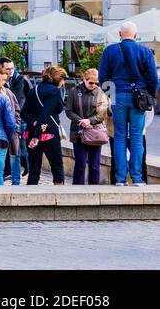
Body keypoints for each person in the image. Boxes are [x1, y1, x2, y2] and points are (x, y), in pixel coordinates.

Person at [98, 21, 158, 186]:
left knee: (119, 137)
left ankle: (120, 178)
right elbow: (153, 78)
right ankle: (137, 178)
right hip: (138, 96)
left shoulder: (110, 50)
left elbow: (103, 78)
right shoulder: (145, 51)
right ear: (136, 35)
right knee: (137, 137)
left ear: (119, 34)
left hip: (118, 95)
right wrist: (149, 96)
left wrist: (111, 96)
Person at [22, 65, 67, 185]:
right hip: (48, 133)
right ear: (58, 79)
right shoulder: (54, 92)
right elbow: (45, 113)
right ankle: (60, 196)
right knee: (57, 167)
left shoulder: (34, 90)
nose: (63, 83)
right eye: (63, 80)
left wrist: (34, 123)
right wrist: (38, 134)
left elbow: (23, 113)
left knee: (34, 169)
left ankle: (30, 197)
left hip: (31, 132)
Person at [66, 68, 109, 186]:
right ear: (84, 80)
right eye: (91, 82)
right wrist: (82, 121)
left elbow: (102, 114)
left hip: (95, 132)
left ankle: (94, 190)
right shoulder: (74, 91)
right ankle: (77, 190)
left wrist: (89, 121)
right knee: (80, 163)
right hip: (78, 131)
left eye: (96, 83)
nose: (94, 85)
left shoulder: (101, 93)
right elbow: (69, 111)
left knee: (95, 165)